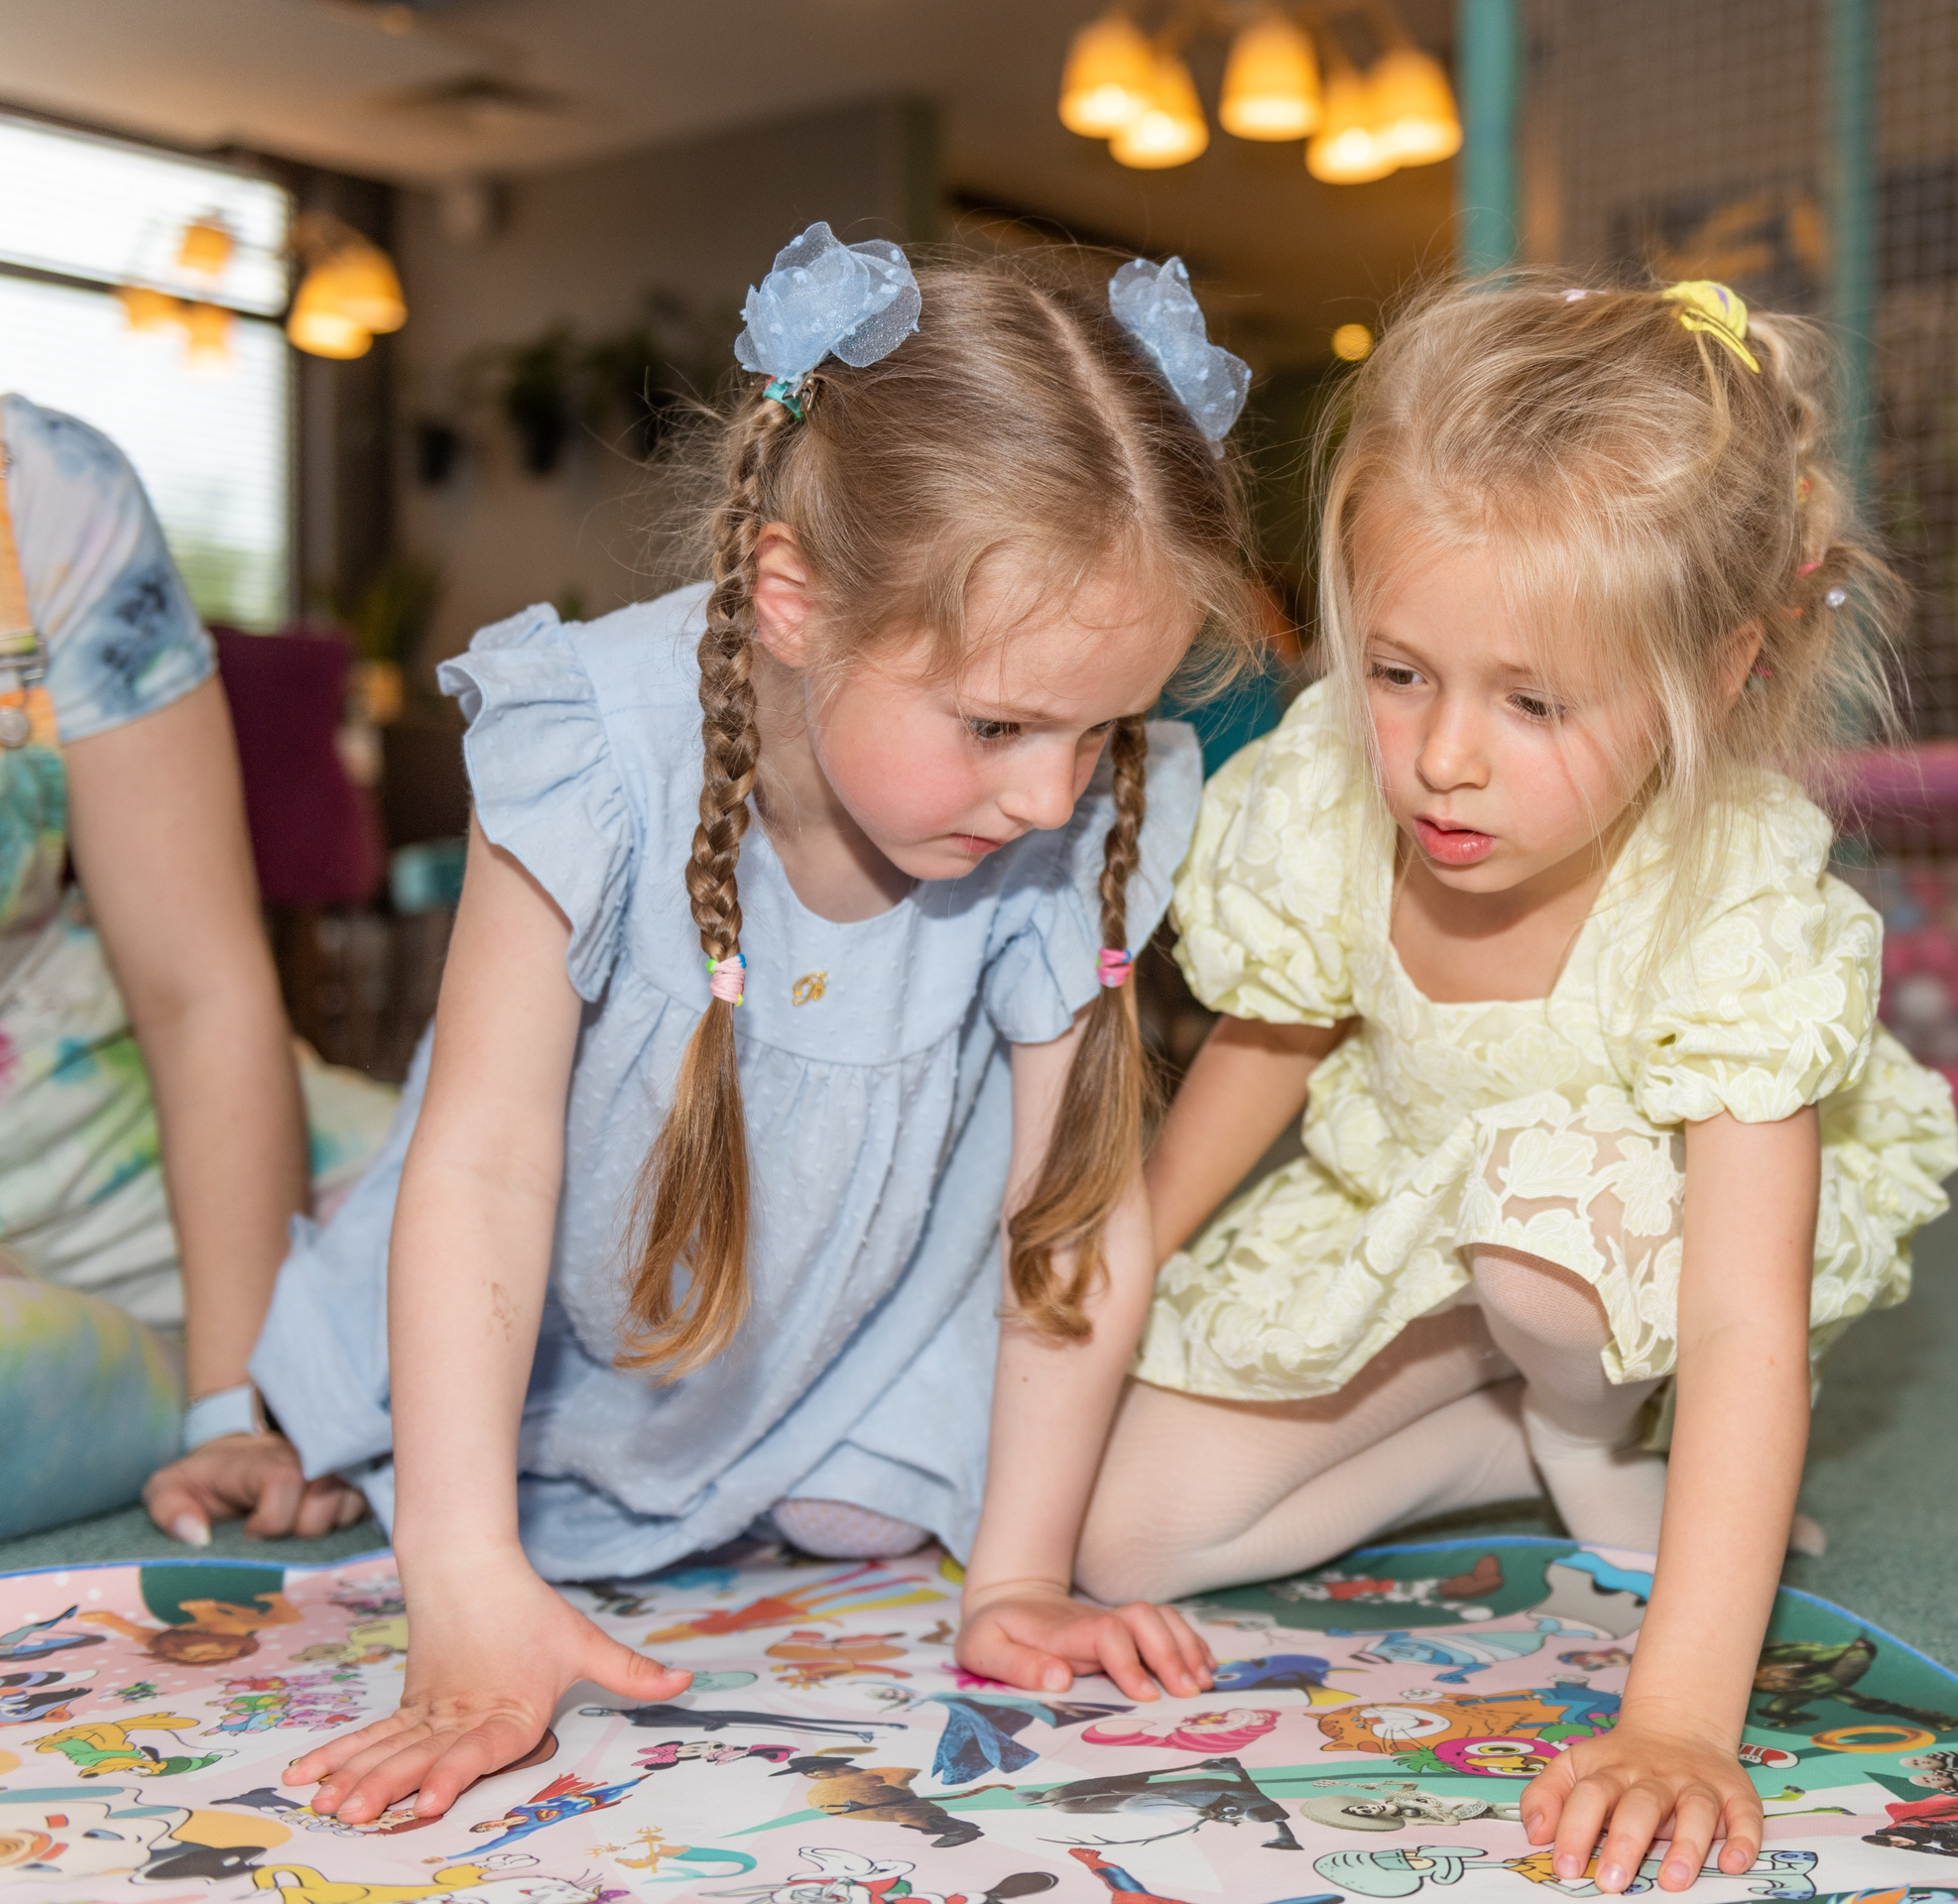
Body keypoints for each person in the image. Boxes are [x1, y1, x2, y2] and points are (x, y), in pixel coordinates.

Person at [264, 232, 1257, 1830]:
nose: (1049, 795)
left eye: (1101, 730)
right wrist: (460, 1572)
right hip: (546, 1315)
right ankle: (315, 1420)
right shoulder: (596, 739)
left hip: (830, 1339)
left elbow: (1071, 1210)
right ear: (793, 599)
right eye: (999, 725)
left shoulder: (1074, 808)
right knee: (355, 1443)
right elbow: (486, 1163)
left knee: (874, 1520)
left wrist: (1017, 1577)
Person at [1077, 275, 1958, 1890]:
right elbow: (1273, 1037)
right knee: (1127, 1536)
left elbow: (1743, 1318)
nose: (1443, 759)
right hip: (1411, 1219)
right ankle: (1526, 1432)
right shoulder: (1337, 792)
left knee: (1539, 1226)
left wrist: (1681, 1720)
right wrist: (1124, 1240)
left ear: (1719, 673)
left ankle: (1600, 1428)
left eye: (1533, 702)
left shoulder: (1731, 898)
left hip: (1627, 1256)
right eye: (1399, 671)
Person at [0, 394, 396, 1546]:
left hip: (105, 1119)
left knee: (562, 1264)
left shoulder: (49, 491)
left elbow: (198, 988)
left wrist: (238, 1406)